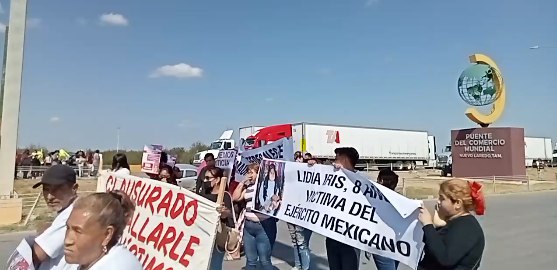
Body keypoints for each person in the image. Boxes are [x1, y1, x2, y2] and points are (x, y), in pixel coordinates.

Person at [418, 179, 486, 270]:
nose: (438, 201)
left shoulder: (466, 227)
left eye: (442, 198)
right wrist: (438, 226)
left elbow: (445, 259)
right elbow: (433, 246)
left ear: (457, 203)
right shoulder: (455, 222)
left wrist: (428, 225)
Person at [63, 191, 142, 269]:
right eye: (68, 228)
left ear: (107, 234)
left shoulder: (119, 266)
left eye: (78, 231)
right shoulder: (85, 259)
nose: (67, 241)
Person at [28, 165, 79, 270]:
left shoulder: (71, 215)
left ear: (74, 188)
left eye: (57, 189)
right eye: (46, 189)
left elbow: (38, 254)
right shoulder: (70, 210)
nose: (49, 197)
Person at [232, 163, 277, 270]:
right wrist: (242, 182)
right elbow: (235, 197)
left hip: (264, 226)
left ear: (259, 173)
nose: (249, 175)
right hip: (249, 227)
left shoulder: (267, 186)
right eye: (248, 172)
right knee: (250, 260)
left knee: (264, 261)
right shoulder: (248, 187)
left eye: (251, 172)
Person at [325, 147, 361, 270]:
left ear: (344, 159)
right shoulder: (331, 176)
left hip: (350, 239)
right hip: (332, 237)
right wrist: (312, 166)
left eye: (336, 158)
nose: (334, 162)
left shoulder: (362, 181)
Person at [201, 167, 233, 270]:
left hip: (218, 235)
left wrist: (223, 211)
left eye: (208, 178)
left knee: (215, 264)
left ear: (218, 179)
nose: (205, 181)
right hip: (204, 233)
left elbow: (228, 214)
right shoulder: (204, 194)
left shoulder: (225, 195)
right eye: (204, 178)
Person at [287, 154, 314, 270]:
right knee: (295, 241)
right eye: (296, 157)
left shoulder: (309, 177)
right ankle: (298, 265)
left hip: (303, 215)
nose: (298, 159)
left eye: (300, 158)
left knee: (302, 243)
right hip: (291, 213)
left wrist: (312, 165)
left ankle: (305, 267)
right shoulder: (290, 179)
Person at [372, 168, 401, 270]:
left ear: (381, 181)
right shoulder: (401, 200)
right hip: (397, 244)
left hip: (381, 244)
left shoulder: (373, 199)